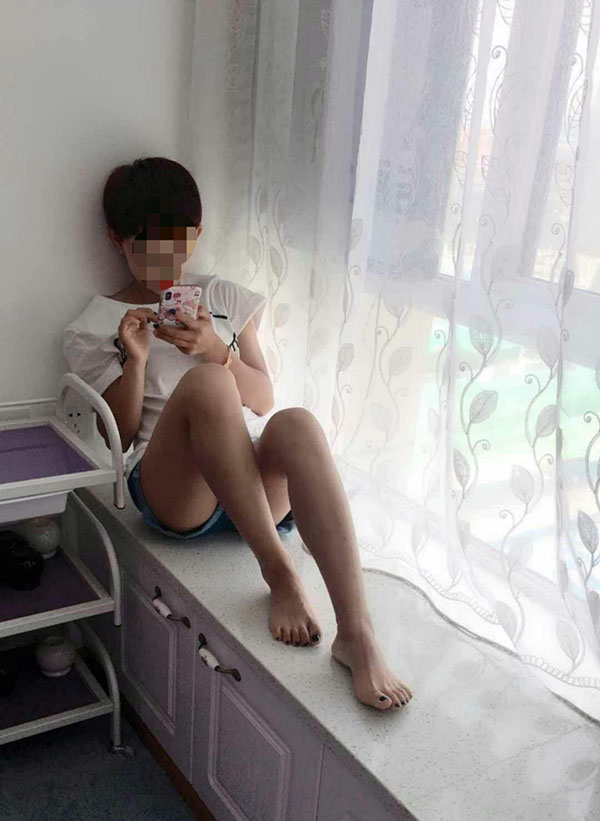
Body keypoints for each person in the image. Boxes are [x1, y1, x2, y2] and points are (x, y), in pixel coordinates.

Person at [63, 156, 413, 712]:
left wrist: (216, 349)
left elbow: (263, 398)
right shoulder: (96, 322)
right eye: (149, 249)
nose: (168, 264)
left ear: (197, 234)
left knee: (296, 422)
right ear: (117, 240)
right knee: (207, 387)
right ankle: (279, 570)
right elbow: (119, 437)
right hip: (176, 491)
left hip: (248, 482)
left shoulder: (224, 298)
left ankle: (357, 634)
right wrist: (136, 361)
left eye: (180, 247)